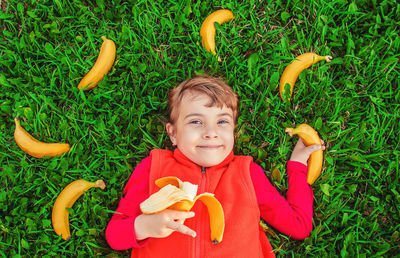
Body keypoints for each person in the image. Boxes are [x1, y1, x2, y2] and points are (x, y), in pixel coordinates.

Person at [105, 75, 325, 257]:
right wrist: (143, 226)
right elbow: (115, 235)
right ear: (173, 134)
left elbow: (298, 225)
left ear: (232, 131)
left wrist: (297, 166)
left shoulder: (247, 172)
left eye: (222, 121)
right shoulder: (154, 167)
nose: (211, 132)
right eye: (196, 121)